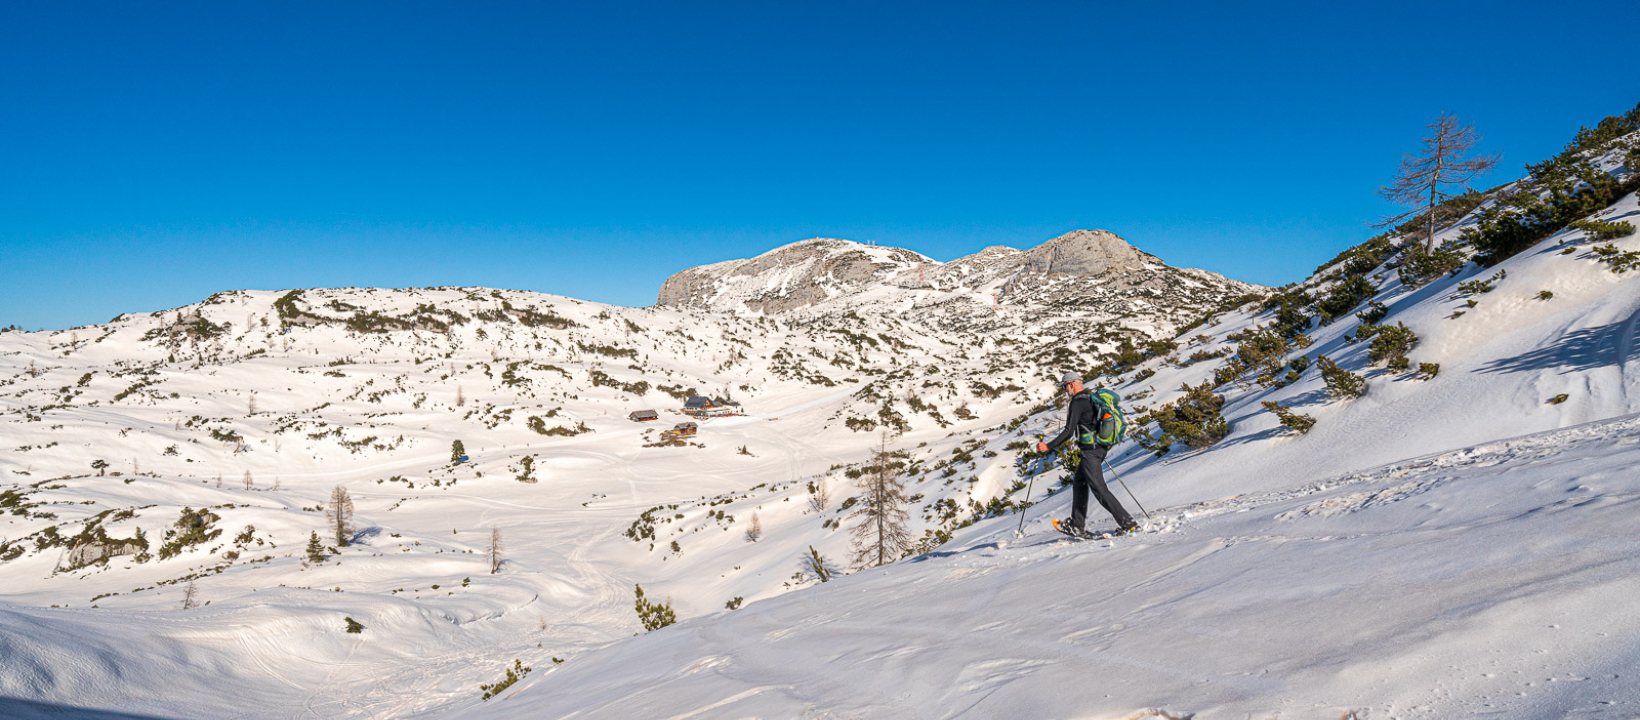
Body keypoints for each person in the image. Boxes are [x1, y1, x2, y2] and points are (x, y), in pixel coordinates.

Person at [1036, 372, 1138, 538]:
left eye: (1064, 387)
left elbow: (1069, 431)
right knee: (1079, 483)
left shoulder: (1077, 402)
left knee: (1098, 487)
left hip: (1091, 451)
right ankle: (1077, 525)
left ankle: (1127, 523)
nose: (1064, 391)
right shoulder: (1089, 399)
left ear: (1071, 384)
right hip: (1097, 448)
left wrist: (1048, 446)